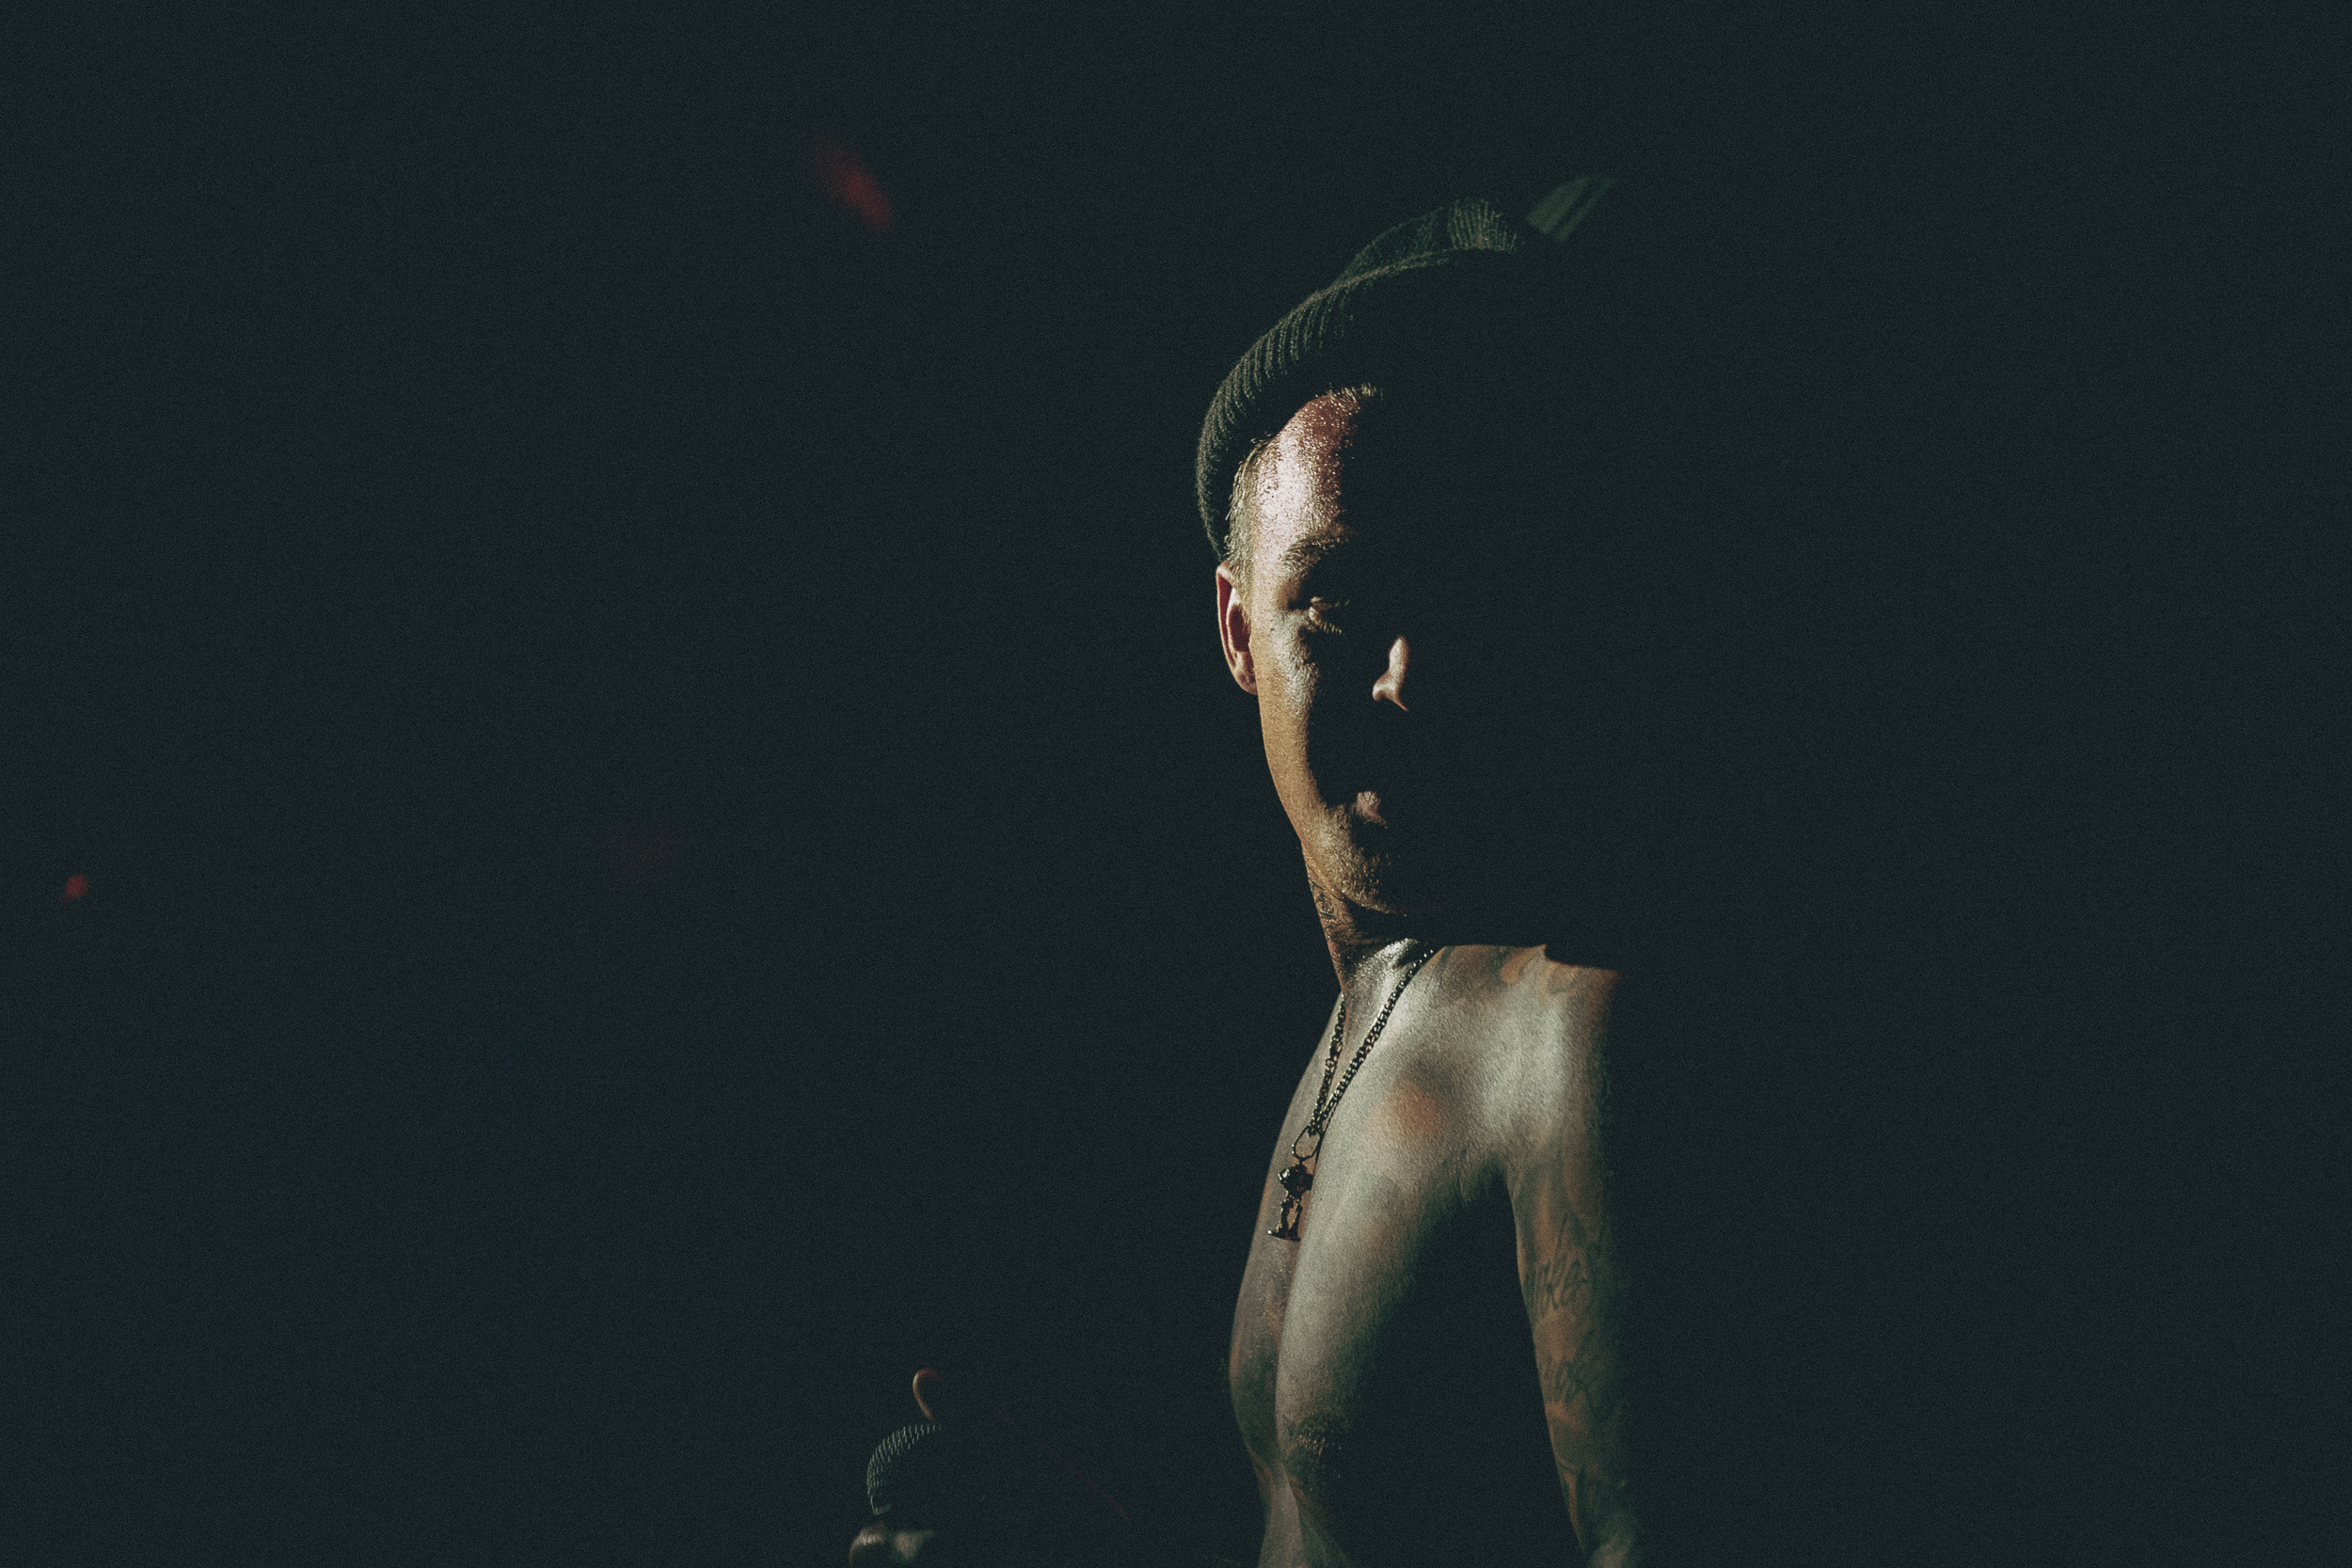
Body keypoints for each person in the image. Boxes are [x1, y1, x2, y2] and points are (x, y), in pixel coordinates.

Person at [856, 189, 1691, 1567]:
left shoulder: (1569, 1035)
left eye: (1469, 596)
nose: (1412, 674)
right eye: (1344, 607)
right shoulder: (1367, 1022)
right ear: (1240, 631)